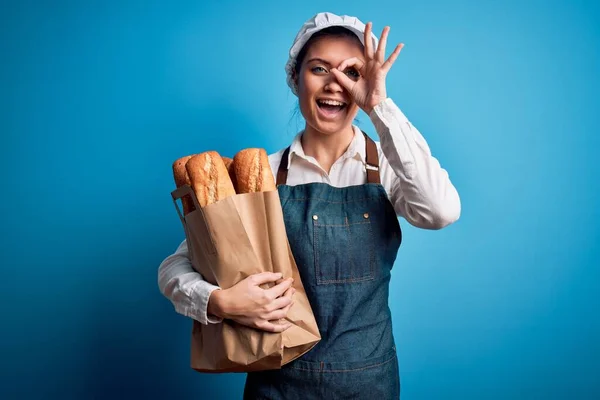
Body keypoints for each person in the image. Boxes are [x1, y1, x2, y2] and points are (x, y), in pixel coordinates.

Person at [158, 11, 461, 399]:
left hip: (367, 384)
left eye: (351, 73)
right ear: (295, 78)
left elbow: (441, 211)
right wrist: (220, 302)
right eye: (320, 68)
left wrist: (380, 107)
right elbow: (174, 267)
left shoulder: (387, 169)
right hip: (277, 386)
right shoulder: (263, 173)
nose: (335, 83)